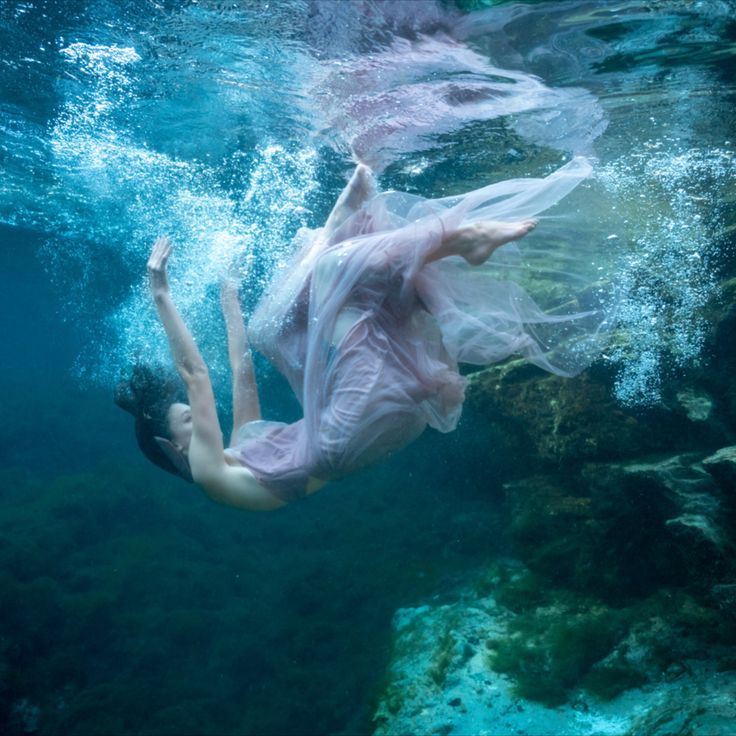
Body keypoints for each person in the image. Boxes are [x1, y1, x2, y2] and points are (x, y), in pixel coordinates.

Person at [116, 159, 606, 510]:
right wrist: (160, 293)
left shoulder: (243, 448)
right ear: (171, 448)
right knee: (333, 274)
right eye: (189, 422)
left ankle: (354, 234)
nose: (202, 419)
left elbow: (243, 367)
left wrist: (230, 296)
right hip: (347, 435)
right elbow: (195, 374)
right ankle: (456, 241)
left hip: (353, 422)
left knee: (271, 329)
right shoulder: (211, 477)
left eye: (192, 417)